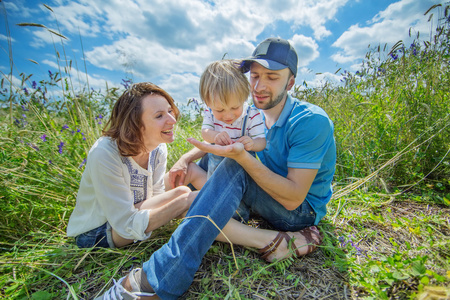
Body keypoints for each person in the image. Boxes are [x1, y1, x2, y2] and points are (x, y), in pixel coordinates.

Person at [95, 37, 336, 300]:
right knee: (200, 169)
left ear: (290, 82)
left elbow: (293, 199)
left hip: (297, 210)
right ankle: (154, 211)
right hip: (264, 189)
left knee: (233, 163)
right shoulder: (252, 110)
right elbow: (221, 136)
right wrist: (185, 159)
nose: (260, 85)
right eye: (254, 76)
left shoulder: (310, 121)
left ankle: (158, 279)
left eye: (272, 77)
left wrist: (242, 158)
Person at [66, 82, 198, 249]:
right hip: (97, 231)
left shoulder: (158, 147)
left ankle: (235, 217)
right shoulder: (104, 152)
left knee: (184, 191)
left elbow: (155, 195)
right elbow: (124, 223)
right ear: (135, 123)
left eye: (170, 111)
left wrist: (180, 200)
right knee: (187, 197)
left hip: (132, 213)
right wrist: (182, 203)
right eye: (159, 116)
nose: (172, 120)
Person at [199, 59, 266, 181]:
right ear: (208, 103)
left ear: (243, 99)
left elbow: (262, 142)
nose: (228, 116)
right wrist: (216, 136)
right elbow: (205, 132)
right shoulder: (209, 112)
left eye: (235, 107)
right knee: (214, 186)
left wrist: (252, 143)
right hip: (216, 164)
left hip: (242, 167)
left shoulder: (251, 115)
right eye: (219, 110)